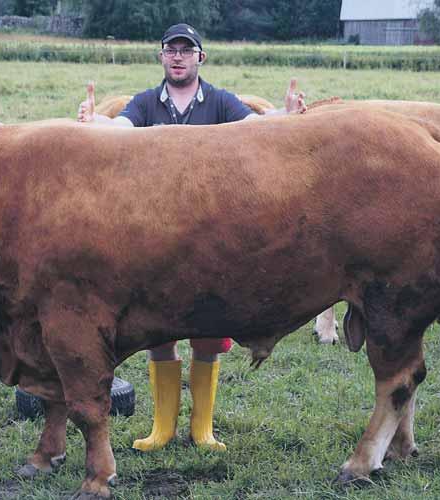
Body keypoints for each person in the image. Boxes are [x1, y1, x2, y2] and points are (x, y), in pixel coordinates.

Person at [77, 23, 307, 452]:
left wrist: (286, 117)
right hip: (154, 239)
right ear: (161, 57)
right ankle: (161, 429)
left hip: (209, 243)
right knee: (158, 336)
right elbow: (122, 128)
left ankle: (203, 430)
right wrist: (95, 126)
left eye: (187, 50)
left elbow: (258, 128)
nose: (178, 57)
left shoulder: (220, 102)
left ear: (201, 57)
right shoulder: (145, 103)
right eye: (171, 50)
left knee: (207, 335)